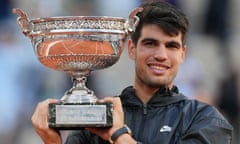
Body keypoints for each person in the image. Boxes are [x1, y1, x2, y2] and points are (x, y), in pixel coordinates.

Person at [31, 1, 233, 144]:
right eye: (150, 43)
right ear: (131, 48)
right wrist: (51, 141)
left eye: (171, 46)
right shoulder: (96, 121)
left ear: (182, 54)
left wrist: (118, 135)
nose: (161, 55)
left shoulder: (204, 119)